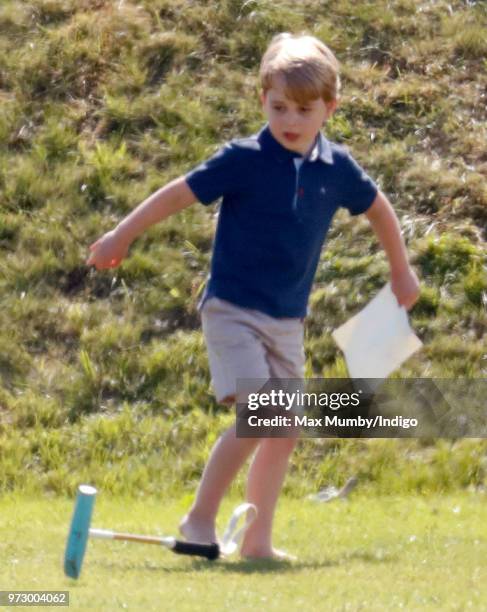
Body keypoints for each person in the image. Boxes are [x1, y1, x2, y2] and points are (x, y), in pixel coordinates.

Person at [87, 33, 420, 560]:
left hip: (288, 319)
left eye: (304, 109)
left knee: (283, 429)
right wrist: (121, 235)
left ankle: (257, 543)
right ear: (262, 98)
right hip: (232, 309)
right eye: (278, 106)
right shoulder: (242, 158)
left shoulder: (338, 169)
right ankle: (198, 520)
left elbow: (379, 209)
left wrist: (400, 272)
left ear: (329, 108)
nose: (290, 119)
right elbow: (177, 192)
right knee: (261, 415)